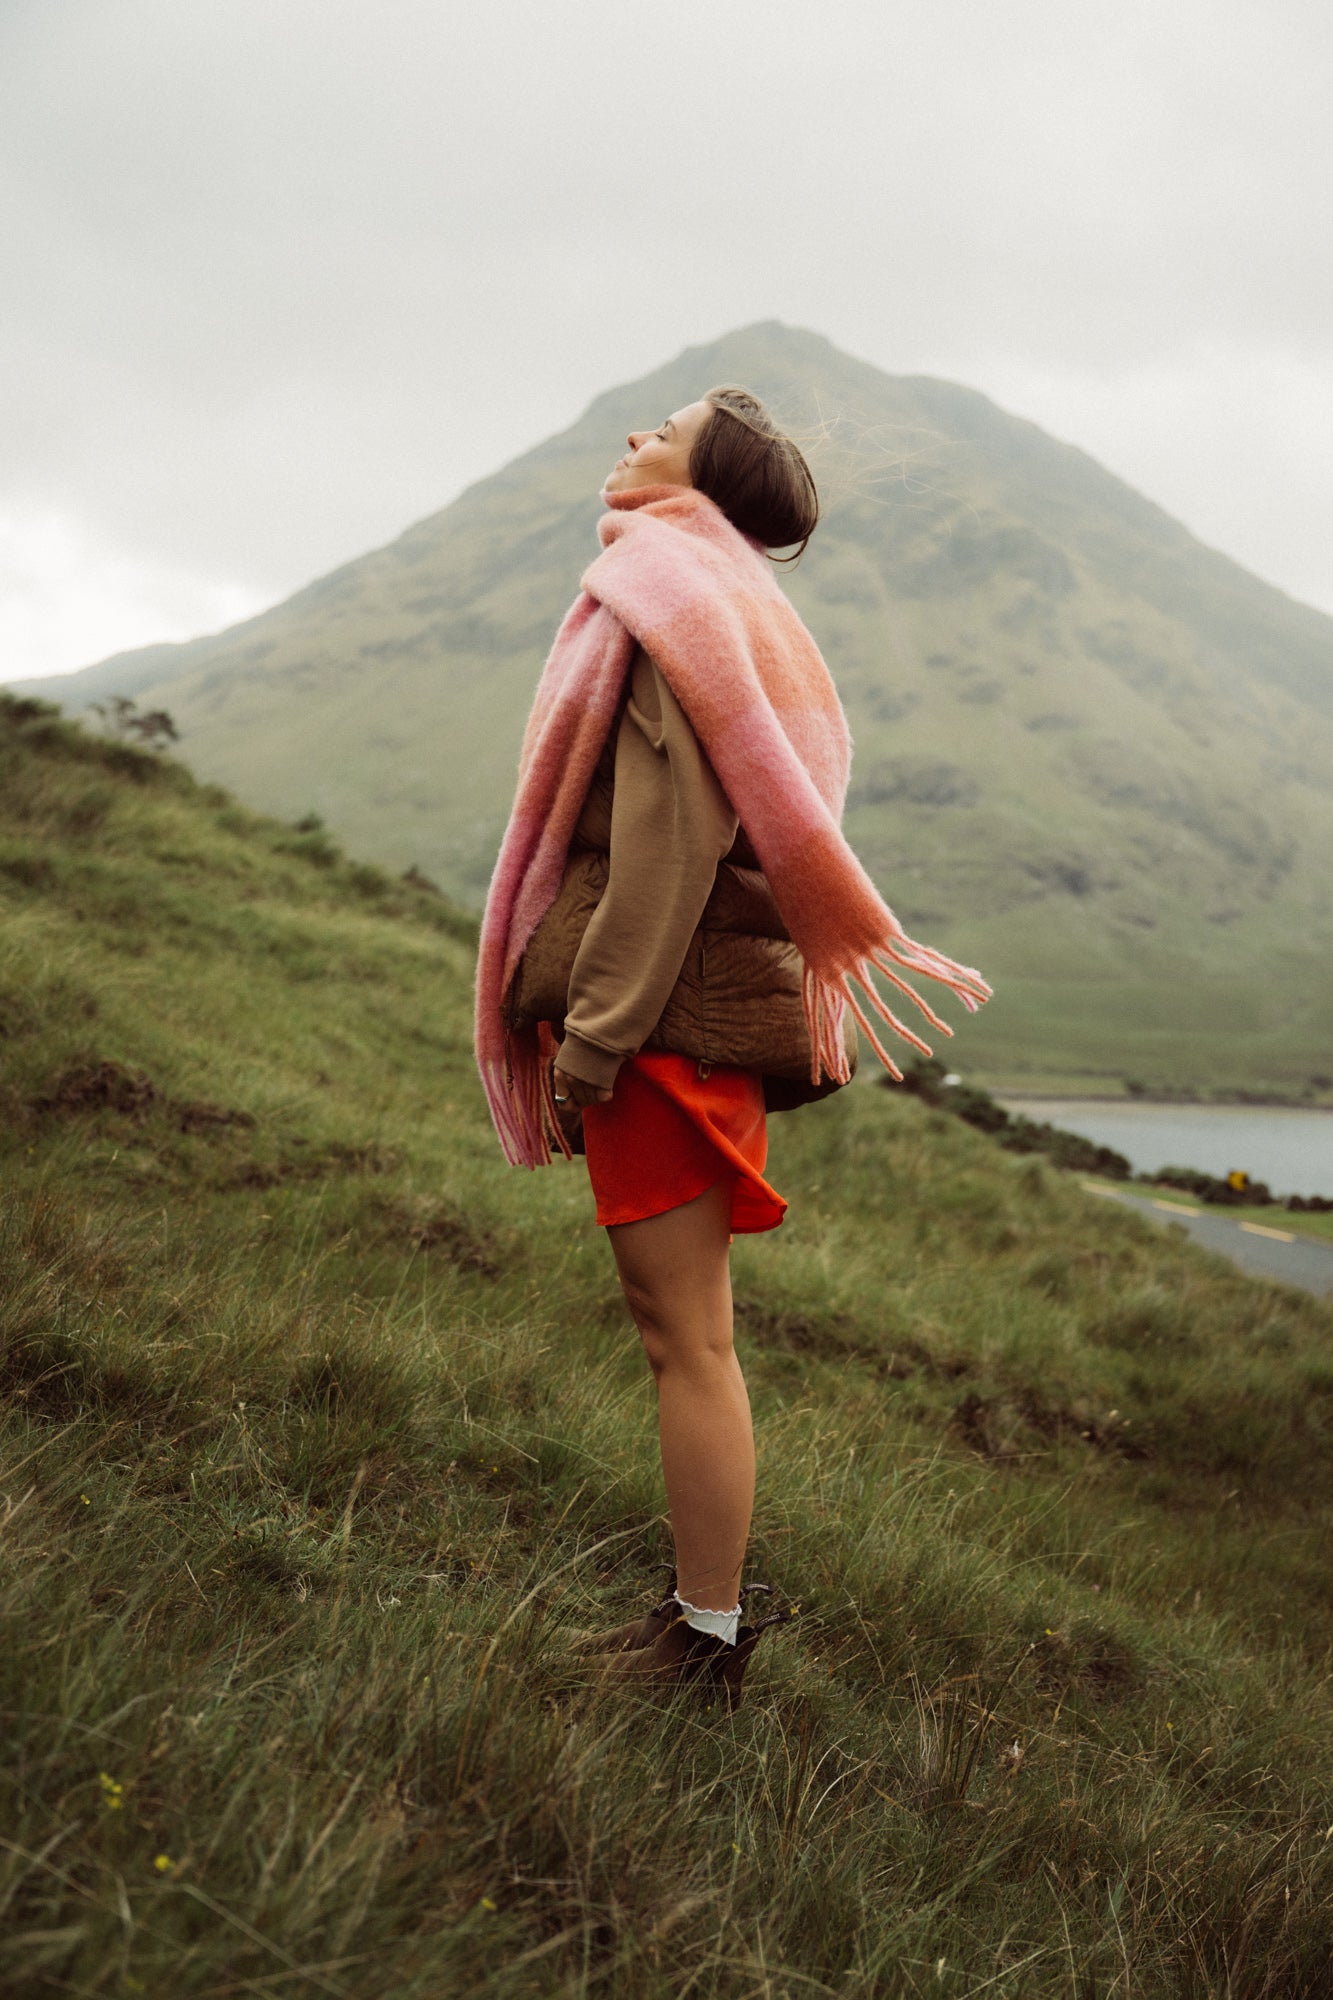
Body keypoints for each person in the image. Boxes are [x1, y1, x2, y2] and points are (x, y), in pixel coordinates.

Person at [475, 387, 990, 1707]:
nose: (641, 423)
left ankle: (698, 1644)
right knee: (686, 1336)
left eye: (673, 418)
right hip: (682, 1018)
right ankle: (698, 1627)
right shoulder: (718, 597)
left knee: (685, 1341)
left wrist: (588, 1053)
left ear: (708, 470)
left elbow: (665, 850)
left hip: (662, 1024)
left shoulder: (670, 602)